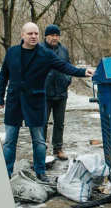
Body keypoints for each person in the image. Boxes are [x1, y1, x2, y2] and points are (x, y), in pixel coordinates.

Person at [0, 22, 93, 182]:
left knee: (39, 140)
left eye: (36, 34)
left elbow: (64, 66)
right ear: (22, 35)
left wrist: (83, 72)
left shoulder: (45, 54)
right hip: (14, 101)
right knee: (9, 141)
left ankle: (41, 171)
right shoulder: (12, 52)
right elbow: (3, 76)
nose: (34, 36)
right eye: (30, 34)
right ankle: (6, 173)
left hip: (35, 102)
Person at [39, 25, 71, 160]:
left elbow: (69, 67)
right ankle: (41, 149)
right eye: (52, 35)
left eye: (57, 35)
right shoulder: (39, 49)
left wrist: (67, 80)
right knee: (42, 122)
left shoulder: (63, 51)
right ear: (46, 36)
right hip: (44, 93)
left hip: (61, 92)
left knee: (59, 123)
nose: (54, 38)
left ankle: (58, 148)